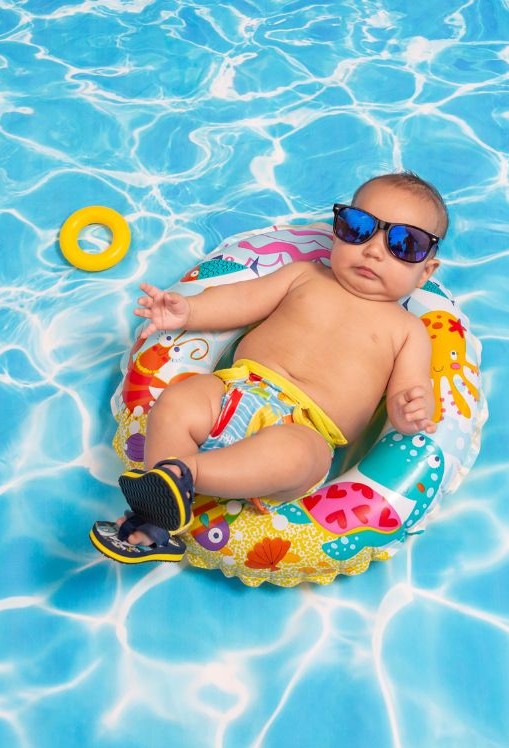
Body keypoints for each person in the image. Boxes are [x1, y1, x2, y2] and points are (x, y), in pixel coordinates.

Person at [91, 171, 448, 564]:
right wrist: (188, 310)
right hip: (233, 393)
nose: (374, 250)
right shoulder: (304, 276)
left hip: (307, 428)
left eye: (404, 244)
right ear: (337, 230)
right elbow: (242, 301)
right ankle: (157, 521)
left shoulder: (408, 331)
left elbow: (411, 392)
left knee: (295, 455)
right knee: (178, 401)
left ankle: (180, 474)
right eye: (359, 228)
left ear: (426, 271)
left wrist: (409, 409)